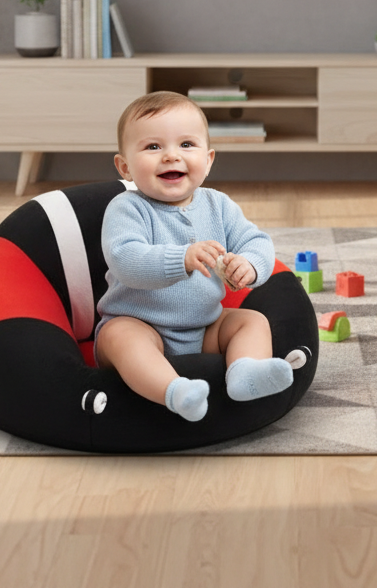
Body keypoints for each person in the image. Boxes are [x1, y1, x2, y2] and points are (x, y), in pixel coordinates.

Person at [95, 91, 297, 422]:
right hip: (140, 324)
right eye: (153, 147)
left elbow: (256, 240)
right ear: (125, 167)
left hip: (204, 328)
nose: (171, 156)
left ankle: (245, 374)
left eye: (186, 144)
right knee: (120, 337)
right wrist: (182, 258)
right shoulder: (126, 208)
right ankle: (176, 393)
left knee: (252, 321)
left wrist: (249, 264)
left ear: (209, 159)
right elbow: (125, 260)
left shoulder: (219, 205)